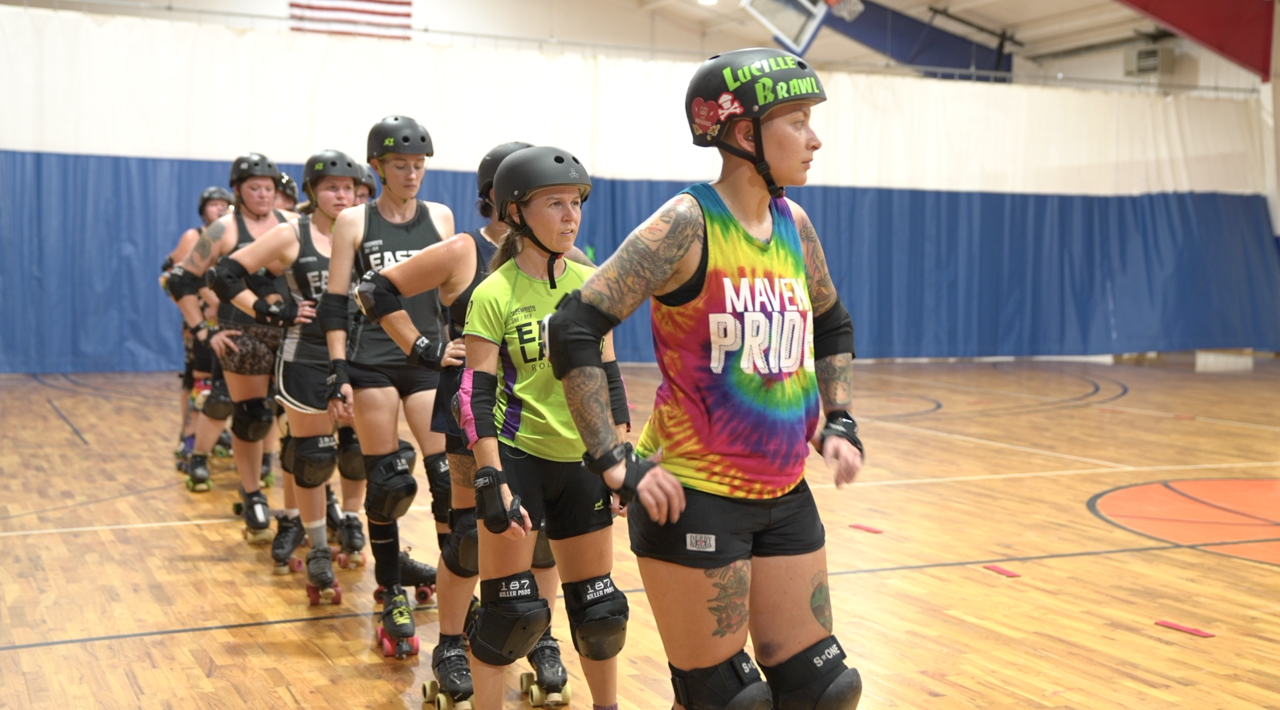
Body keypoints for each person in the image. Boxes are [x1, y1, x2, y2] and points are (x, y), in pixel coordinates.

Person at [547, 48, 865, 710]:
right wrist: (612, 460)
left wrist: (839, 418)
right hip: (693, 496)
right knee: (727, 700)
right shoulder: (686, 224)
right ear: (743, 133)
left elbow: (832, 323)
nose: (815, 137)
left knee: (823, 688)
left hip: (785, 495)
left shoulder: (793, 225)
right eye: (798, 120)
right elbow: (573, 326)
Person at [357, 141, 584, 708]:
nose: (560, 210)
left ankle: (542, 636)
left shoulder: (570, 256)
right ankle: (453, 644)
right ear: (503, 200)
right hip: (473, 410)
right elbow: (374, 290)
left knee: (544, 540)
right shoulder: (463, 250)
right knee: (468, 539)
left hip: (540, 415)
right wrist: (427, 348)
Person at [437, 145, 627, 710]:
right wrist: (490, 477)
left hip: (584, 462)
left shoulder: (593, 281)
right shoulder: (493, 293)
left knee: (599, 612)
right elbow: (475, 393)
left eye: (576, 204)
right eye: (555, 204)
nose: (571, 216)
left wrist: (620, 455)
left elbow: (609, 377)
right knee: (508, 615)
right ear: (516, 213)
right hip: (519, 460)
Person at [320, 115, 454, 658]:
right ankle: (390, 589)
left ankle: (456, 582)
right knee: (389, 483)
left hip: (428, 361)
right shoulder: (354, 221)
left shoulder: (440, 217)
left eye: (419, 165)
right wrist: (337, 370)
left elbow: (453, 292)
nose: (412, 174)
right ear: (378, 167)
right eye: (401, 165)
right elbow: (335, 301)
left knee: (448, 478)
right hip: (372, 360)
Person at [207, 149, 366, 603]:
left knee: (356, 450)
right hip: (307, 355)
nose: (342, 194)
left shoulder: (366, 229)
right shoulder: (290, 232)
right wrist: (271, 311)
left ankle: (351, 521)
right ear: (313, 190)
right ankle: (315, 543)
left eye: (349, 188)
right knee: (313, 454)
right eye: (332, 187)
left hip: (360, 355)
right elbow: (225, 273)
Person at [168, 153, 299, 540]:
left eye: (269, 188)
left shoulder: (292, 224)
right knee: (253, 416)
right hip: (243, 333)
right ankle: (254, 492)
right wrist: (204, 331)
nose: (262, 194)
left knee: (296, 418)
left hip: (291, 332)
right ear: (238, 191)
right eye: (254, 188)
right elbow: (180, 280)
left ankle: (303, 505)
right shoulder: (223, 229)